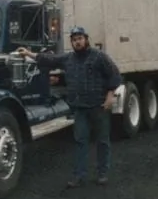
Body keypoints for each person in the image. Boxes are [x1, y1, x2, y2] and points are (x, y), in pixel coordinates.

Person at [17, 26, 122, 187]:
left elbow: (114, 75)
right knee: (80, 142)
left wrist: (109, 97)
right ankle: (79, 175)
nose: (77, 42)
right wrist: (29, 54)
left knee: (102, 141)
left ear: (86, 39)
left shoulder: (99, 57)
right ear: (72, 43)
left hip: (98, 107)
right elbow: (48, 59)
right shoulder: (69, 59)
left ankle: (102, 173)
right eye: (74, 40)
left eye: (80, 38)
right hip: (79, 109)